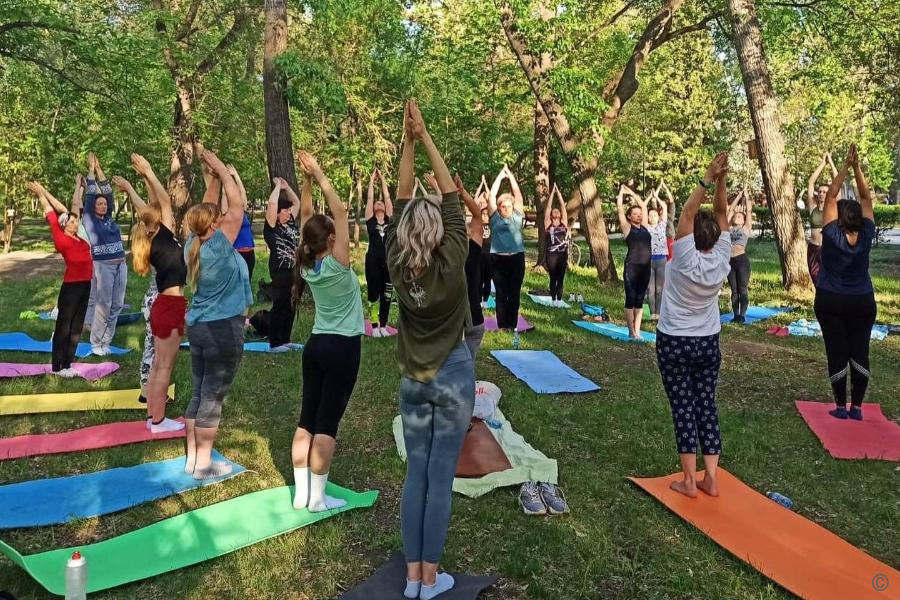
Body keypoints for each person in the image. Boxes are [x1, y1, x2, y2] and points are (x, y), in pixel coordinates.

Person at [386, 100, 474, 600]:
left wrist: (408, 141)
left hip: (412, 382)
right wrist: (425, 137)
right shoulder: (454, 256)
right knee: (439, 480)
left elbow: (403, 196)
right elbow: (448, 194)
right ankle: (428, 579)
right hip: (454, 373)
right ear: (440, 231)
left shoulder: (399, 261)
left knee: (414, 476)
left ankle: (411, 578)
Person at [289, 151, 365, 512]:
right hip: (342, 348)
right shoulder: (338, 264)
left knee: (307, 418)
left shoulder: (306, 266)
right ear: (331, 239)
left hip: (315, 346)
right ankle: (317, 499)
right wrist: (317, 172)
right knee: (327, 423)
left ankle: (300, 494)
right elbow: (338, 210)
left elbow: (307, 218)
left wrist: (305, 182)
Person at [656, 152, 732, 498]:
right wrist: (722, 182)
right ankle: (711, 477)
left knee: (683, 407)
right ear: (715, 238)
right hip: (707, 342)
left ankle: (689, 480)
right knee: (706, 403)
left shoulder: (684, 255)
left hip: (674, 340)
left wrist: (707, 176)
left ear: (691, 236)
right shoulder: (721, 256)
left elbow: (688, 212)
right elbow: (721, 213)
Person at [183, 151, 253, 479]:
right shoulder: (220, 246)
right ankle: (203, 465)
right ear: (213, 225)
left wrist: (212, 178)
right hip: (222, 329)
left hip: (198, 327)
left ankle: (192, 459)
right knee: (213, 395)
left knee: (199, 390)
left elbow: (207, 207)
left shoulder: (192, 245)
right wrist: (222, 168)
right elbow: (237, 205)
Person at [123, 154, 186, 434]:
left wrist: (145, 178)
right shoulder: (163, 236)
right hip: (169, 306)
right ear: (154, 225)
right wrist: (148, 172)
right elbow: (163, 201)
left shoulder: (156, 238)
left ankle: (152, 419)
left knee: (160, 364)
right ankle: (159, 422)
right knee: (164, 367)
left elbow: (153, 204)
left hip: (164, 304)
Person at [815, 145, 876, 421]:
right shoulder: (866, 235)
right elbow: (865, 197)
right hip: (862, 300)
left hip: (831, 299)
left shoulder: (831, 234)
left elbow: (830, 195)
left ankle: (841, 406)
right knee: (860, 348)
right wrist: (856, 168)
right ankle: (858, 408)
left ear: (839, 218)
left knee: (836, 348)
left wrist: (844, 166)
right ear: (859, 220)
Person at [26, 179, 92, 377]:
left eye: (76, 220)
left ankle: (68, 363)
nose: (75, 222)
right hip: (71, 288)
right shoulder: (61, 238)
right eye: (72, 221)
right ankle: (57, 367)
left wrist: (79, 188)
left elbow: (74, 208)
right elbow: (50, 212)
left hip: (85, 285)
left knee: (77, 326)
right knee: (64, 325)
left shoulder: (80, 239)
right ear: (64, 225)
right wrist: (40, 192)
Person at [82, 153, 127, 356]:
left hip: (121, 264)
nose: (103, 204)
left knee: (117, 304)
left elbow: (107, 193)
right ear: (93, 207)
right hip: (103, 266)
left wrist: (100, 170)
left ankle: (106, 340)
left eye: (104, 204)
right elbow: (91, 195)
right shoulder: (89, 220)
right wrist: (91, 171)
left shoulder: (108, 217)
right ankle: (95, 342)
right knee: (104, 304)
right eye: (99, 204)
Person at [488, 165, 526, 346]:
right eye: (502, 206)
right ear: (499, 207)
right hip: (497, 259)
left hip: (516, 258)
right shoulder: (494, 217)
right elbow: (491, 196)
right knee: (502, 293)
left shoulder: (517, 216)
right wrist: (499, 177)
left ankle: (512, 324)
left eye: (508, 206)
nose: (505, 208)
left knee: (514, 293)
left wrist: (509, 175)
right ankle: (502, 325)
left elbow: (517, 194)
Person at [263, 177, 301, 351]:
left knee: (292, 304)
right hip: (280, 271)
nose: (288, 212)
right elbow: (271, 205)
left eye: (288, 210)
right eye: (284, 210)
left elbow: (297, 202)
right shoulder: (272, 228)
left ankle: (285, 339)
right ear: (277, 214)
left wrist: (287, 186)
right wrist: (277, 186)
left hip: (295, 270)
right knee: (280, 304)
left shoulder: (290, 224)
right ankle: (275, 342)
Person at [456, 175, 487, 360]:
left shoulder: (442, 254)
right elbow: (477, 216)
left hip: (458, 324)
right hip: (472, 322)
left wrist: (449, 194)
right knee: (466, 368)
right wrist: (462, 193)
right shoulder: (472, 249)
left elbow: (476, 218)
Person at [616, 184, 651, 339]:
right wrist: (622, 194)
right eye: (634, 214)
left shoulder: (645, 227)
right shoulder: (627, 228)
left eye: (639, 214)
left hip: (646, 267)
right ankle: (631, 332)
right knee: (631, 298)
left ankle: (637, 331)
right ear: (629, 217)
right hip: (632, 267)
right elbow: (619, 208)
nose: (638, 215)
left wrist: (632, 192)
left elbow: (643, 205)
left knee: (640, 299)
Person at [364, 168, 395, 337]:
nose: (378, 203)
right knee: (373, 293)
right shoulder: (370, 221)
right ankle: (374, 326)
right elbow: (369, 198)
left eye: (380, 202)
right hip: (373, 262)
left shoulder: (390, 220)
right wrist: (371, 181)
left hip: (389, 261)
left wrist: (383, 179)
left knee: (387, 294)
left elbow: (388, 197)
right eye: (376, 203)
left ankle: (383, 325)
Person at [806, 153, 838, 286]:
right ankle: (820, 303)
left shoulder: (833, 207)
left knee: (830, 278)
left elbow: (837, 181)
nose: (821, 194)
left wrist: (830, 162)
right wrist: (822, 164)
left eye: (825, 192)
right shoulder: (812, 206)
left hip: (828, 248)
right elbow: (810, 182)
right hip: (813, 248)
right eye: (820, 191)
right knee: (815, 278)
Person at [726, 190, 754, 323]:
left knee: (742, 289)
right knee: (734, 290)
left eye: (739, 216)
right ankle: (735, 315)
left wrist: (746, 196)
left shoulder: (745, 228)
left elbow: (748, 211)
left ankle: (742, 315)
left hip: (742, 261)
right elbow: (730, 210)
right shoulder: (729, 228)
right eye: (735, 216)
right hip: (730, 261)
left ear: (743, 221)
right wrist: (737, 197)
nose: (736, 217)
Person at [543, 183, 569, 307]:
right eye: (554, 210)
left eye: (557, 210)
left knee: (561, 277)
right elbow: (548, 207)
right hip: (551, 254)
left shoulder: (564, 224)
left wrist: (558, 193)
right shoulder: (548, 224)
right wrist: (552, 193)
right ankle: (553, 300)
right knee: (553, 277)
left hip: (562, 254)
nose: (556, 210)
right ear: (552, 215)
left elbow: (563, 207)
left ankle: (559, 300)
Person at [645, 185, 669, 320]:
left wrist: (657, 197)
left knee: (660, 289)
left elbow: (664, 207)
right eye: (650, 215)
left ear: (658, 217)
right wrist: (649, 198)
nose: (652, 217)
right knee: (650, 289)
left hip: (661, 260)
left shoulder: (661, 226)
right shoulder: (646, 227)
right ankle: (652, 313)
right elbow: (643, 208)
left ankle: (658, 314)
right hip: (649, 260)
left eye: (655, 215)